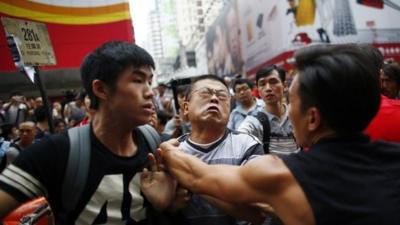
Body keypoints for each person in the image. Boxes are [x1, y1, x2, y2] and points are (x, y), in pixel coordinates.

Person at [158, 44, 400, 225]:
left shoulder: (283, 175)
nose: (287, 112)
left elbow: (199, 177)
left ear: (313, 118)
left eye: (291, 103)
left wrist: (167, 150)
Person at [0, 41, 176, 224]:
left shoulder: (159, 145)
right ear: (101, 89)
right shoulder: (55, 153)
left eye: (150, 81)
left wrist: (169, 205)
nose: (150, 92)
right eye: (138, 81)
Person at [172, 75, 264, 225]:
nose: (214, 99)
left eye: (222, 96)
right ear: (186, 108)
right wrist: (169, 206)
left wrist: (192, 181)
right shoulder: (173, 150)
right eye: (205, 94)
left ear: (230, 106)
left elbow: (257, 212)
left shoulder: (247, 145)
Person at [238, 65, 298, 155]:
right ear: (258, 90)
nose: (268, 88)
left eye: (273, 82)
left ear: (284, 86)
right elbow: (238, 140)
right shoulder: (254, 122)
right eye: (262, 84)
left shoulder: (297, 115)